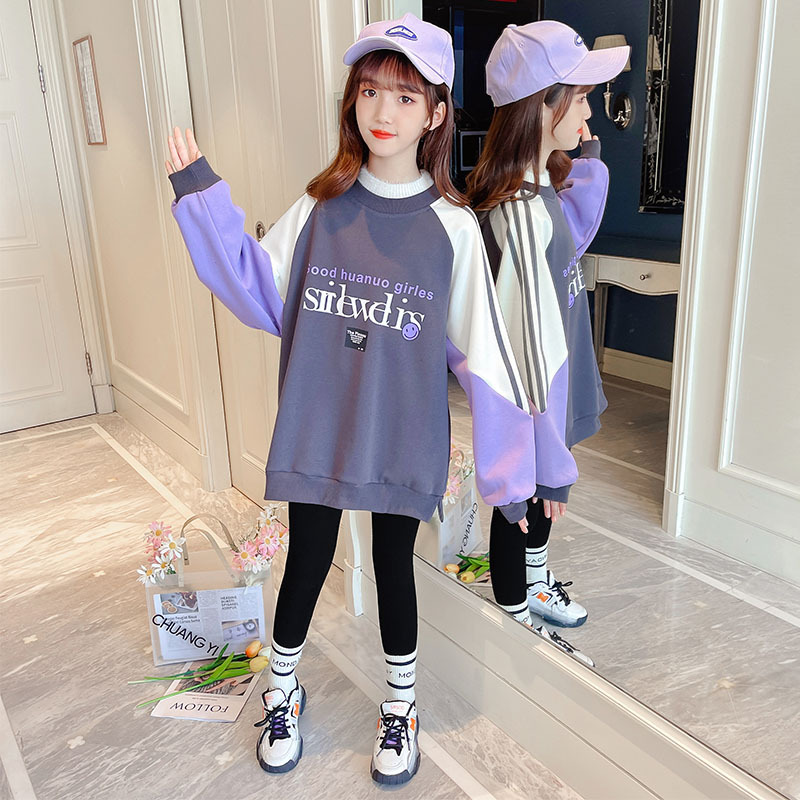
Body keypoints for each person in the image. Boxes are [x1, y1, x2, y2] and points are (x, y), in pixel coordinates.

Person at [165, 13, 535, 786]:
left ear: (436, 113)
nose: (381, 111)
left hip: (401, 435)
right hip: (319, 427)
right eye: (369, 91)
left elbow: (488, 360)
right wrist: (201, 198)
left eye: (404, 96)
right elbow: (255, 286)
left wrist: (513, 478)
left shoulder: (453, 229)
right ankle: (283, 689)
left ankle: (400, 706)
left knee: (395, 566)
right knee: (307, 559)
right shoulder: (319, 208)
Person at [467, 21, 629, 635]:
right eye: (580, 97)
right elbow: (525, 351)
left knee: (538, 507)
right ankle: (515, 620)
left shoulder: (539, 193)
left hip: (555, 378)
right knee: (526, 503)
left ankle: (533, 585)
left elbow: (571, 240)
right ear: (542, 104)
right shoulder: (517, 212)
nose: (588, 111)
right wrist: (549, 457)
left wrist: (586, 159)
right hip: (534, 395)